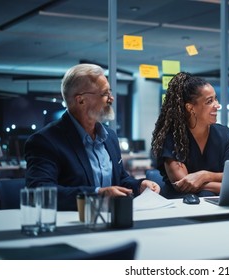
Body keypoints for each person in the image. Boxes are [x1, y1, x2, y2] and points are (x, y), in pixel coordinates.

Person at [25, 63, 160, 211]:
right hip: (73, 227)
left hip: (112, 221)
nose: (111, 99)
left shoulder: (110, 137)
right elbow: (40, 192)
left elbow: (120, 179)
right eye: (105, 93)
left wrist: (139, 186)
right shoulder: (45, 141)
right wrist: (97, 194)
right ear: (81, 100)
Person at [151, 72, 229, 198]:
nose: (217, 105)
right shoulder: (172, 137)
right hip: (179, 205)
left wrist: (205, 175)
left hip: (217, 204)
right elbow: (184, 185)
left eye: (215, 98)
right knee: (204, 193)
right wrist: (222, 182)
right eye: (209, 101)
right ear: (190, 108)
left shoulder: (225, 134)